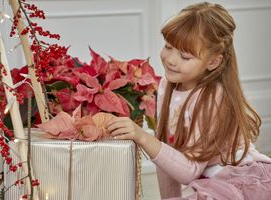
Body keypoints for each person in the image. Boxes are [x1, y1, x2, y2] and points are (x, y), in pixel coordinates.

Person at [106, 2, 271, 200]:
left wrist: (142, 137)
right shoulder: (168, 84)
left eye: (185, 56)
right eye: (168, 46)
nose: (171, 60)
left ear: (212, 62)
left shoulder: (212, 99)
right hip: (209, 180)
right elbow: (166, 153)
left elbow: (189, 170)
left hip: (238, 179)